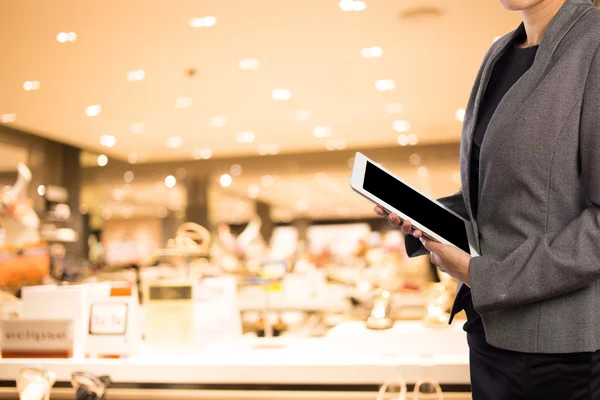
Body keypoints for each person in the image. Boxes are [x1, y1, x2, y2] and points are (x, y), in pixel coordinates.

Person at [375, 0, 600, 398]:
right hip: (490, 337)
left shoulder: (593, 45)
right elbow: (496, 196)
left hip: (563, 353)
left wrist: (485, 277)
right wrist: (428, 216)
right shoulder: (499, 54)